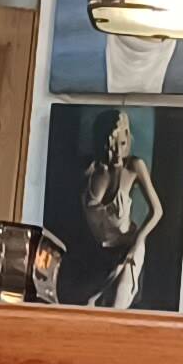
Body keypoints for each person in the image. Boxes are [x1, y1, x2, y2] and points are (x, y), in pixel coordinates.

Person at [76, 116, 167, 309]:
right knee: (87, 304)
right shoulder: (90, 171)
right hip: (101, 252)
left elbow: (157, 211)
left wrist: (138, 242)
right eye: (111, 146)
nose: (118, 152)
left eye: (123, 143)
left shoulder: (134, 167)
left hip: (129, 248)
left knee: (118, 304)